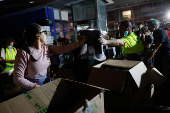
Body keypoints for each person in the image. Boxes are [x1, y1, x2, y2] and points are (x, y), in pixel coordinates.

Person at [13, 23, 86, 93]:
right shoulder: (23, 53)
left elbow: (63, 49)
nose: (45, 35)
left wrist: (79, 43)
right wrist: (36, 87)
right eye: (44, 32)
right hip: (32, 90)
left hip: (46, 84)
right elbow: (17, 79)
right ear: (38, 35)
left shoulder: (46, 48)